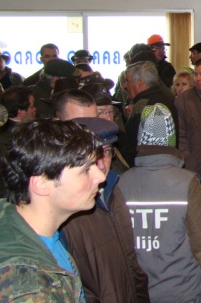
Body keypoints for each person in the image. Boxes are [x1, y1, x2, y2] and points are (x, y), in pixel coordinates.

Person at [0, 119, 106, 301]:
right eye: (86, 170)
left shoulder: (20, 224)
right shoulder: (27, 289)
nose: (100, 176)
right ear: (41, 184)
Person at [119, 124, 201, 303]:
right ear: (171, 140)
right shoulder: (187, 183)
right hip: (185, 291)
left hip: (140, 291)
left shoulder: (121, 184)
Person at [60, 117, 149, 303]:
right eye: (93, 157)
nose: (101, 165)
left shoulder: (114, 191)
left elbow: (131, 263)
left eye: (106, 152)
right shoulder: (66, 214)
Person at [124, 61, 178, 166]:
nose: (125, 85)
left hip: (145, 167)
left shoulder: (143, 106)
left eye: (127, 81)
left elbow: (131, 144)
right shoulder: (167, 98)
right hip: (168, 163)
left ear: (140, 82)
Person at [0, 87, 37, 198]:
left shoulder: (4, 133)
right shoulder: (14, 138)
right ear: (21, 112)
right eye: (32, 106)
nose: (35, 110)